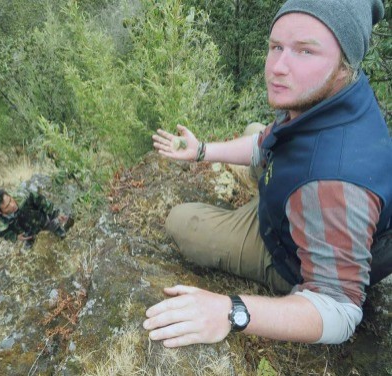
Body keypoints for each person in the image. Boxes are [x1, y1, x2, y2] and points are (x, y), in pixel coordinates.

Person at [144, 0, 392, 347]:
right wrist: (202, 151)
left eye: (305, 51)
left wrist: (231, 311)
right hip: (298, 203)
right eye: (276, 47)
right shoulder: (329, 99)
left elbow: (339, 311)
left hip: (293, 251)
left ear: (343, 64)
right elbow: (266, 143)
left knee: (182, 222)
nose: (277, 67)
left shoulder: (334, 183)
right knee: (252, 129)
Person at [0, 188, 74, 248]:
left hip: (40, 219)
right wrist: (15, 237)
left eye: (10, 200)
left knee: (62, 234)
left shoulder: (24, 196)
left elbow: (41, 201)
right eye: (7, 206)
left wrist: (55, 214)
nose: (13, 205)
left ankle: (54, 226)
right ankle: (31, 239)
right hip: (27, 233)